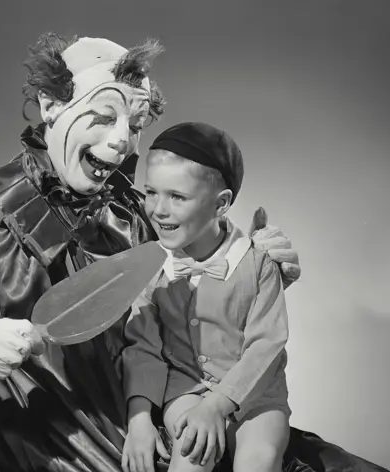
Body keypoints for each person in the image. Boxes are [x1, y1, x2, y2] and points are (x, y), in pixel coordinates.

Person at [0, 32, 387, 472]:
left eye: (134, 124)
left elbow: (191, 290)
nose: (124, 141)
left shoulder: (129, 201)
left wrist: (252, 267)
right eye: (104, 117)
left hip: (189, 430)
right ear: (52, 106)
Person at [122, 123, 290, 472]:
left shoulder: (257, 265)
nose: (158, 210)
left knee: (259, 460)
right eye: (151, 192)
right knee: (190, 454)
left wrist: (218, 405)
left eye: (177, 197)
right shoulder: (150, 266)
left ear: (221, 204)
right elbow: (143, 347)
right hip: (184, 392)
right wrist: (139, 420)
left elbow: (266, 346)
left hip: (256, 399)